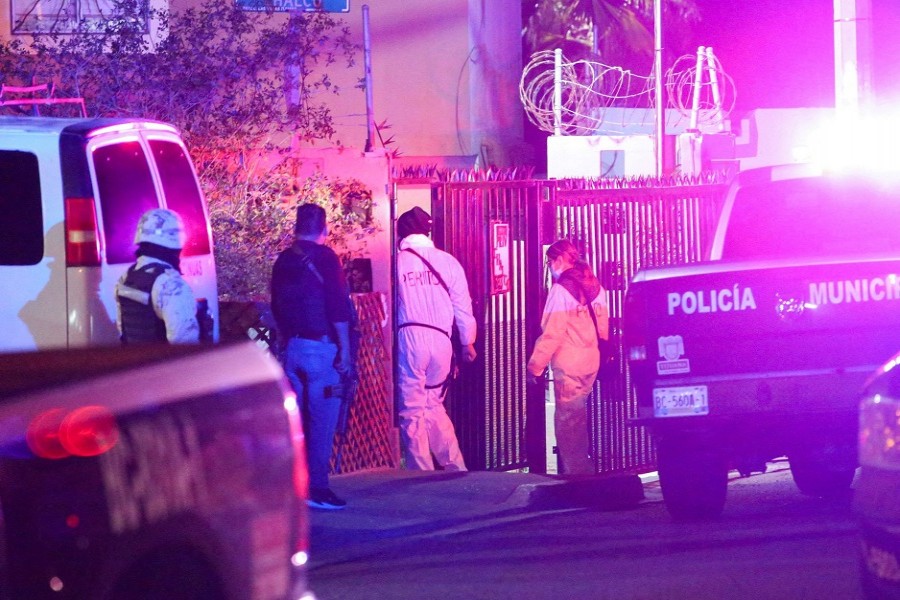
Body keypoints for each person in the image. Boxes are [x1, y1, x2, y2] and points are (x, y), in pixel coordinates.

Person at [271, 203, 355, 510]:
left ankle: (296, 485)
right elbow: (337, 305)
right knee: (322, 422)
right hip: (322, 351)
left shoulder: (282, 260)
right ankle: (318, 489)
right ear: (324, 228)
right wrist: (344, 350)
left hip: (293, 348)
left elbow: (276, 304)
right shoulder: (326, 257)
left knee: (299, 423)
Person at [395, 206, 477, 471]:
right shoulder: (448, 261)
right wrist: (468, 342)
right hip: (442, 341)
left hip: (411, 339)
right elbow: (463, 306)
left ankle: (421, 473)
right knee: (434, 405)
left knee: (412, 410)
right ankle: (456, 467)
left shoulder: (398, 262)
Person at [526, 239, 609, 475]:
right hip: (591, 361)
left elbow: (552, 334)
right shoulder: (596, 288)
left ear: (560, 260)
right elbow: (603, 329)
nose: (550, 267)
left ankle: (578, 475)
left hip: (569, 364)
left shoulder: (561, 291)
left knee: (568, 424)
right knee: (578, 417)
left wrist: (535, 367)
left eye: (551, 261)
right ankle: (581, 469)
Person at [115, 208, 200, 344]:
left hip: (135, 363)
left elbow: (123, 330)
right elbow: (185, 344)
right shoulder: (171, 284)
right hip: (162, 364)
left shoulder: (127, 276)